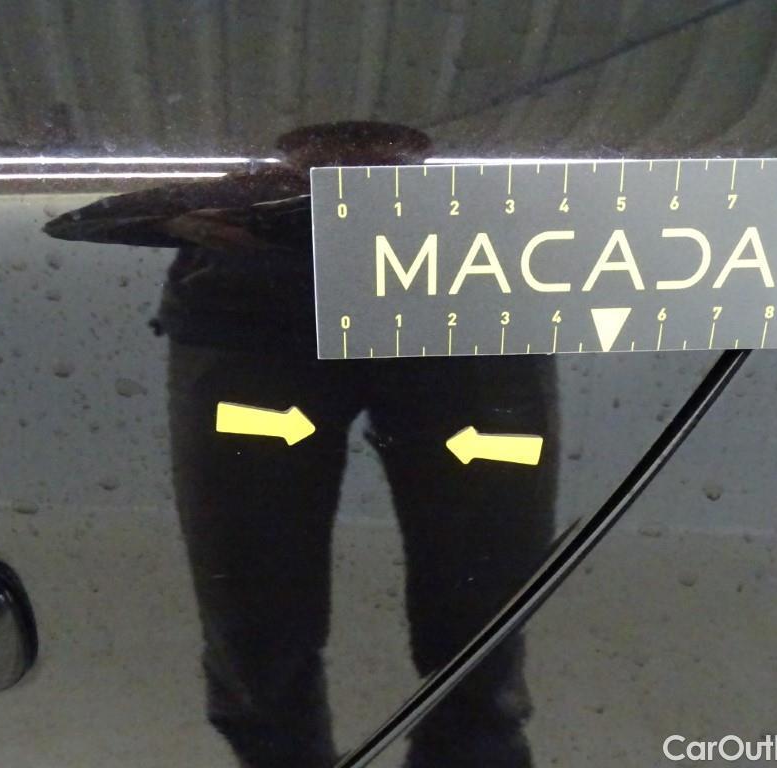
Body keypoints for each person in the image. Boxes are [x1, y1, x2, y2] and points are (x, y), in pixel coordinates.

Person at [45, 122, 559, 768]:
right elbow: (82, 220)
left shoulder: (243, 200)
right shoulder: (494, 197)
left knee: (467, 611)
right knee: (273, 616)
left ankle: (423, 744)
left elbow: (83, 219)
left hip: (332, 306)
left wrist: (205, 212)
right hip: (452, 292)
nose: (355, 160)